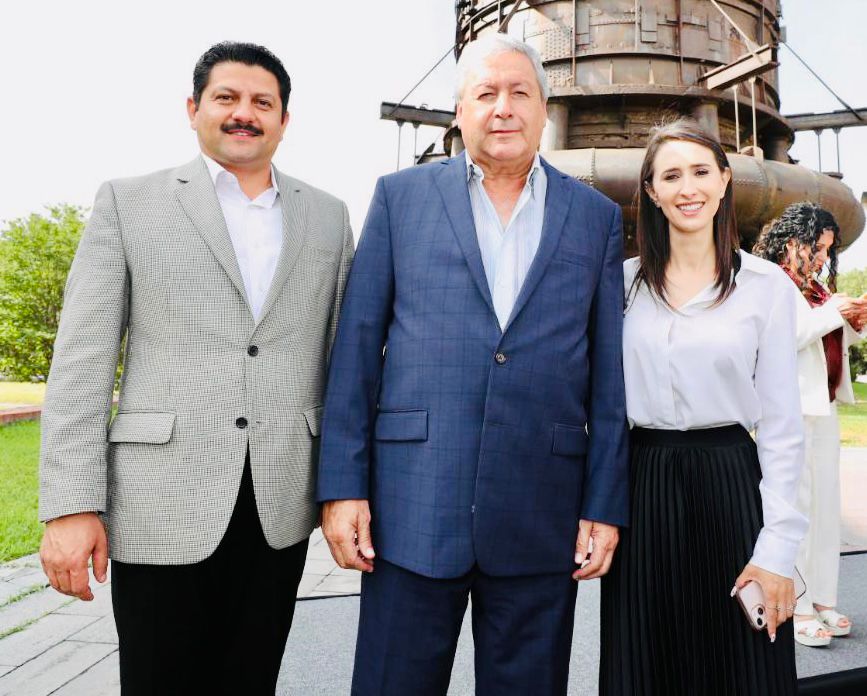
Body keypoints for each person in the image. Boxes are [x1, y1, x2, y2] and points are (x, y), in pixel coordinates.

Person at [38, 41, 353, 694]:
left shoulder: (328, 217)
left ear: (284, 119)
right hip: (161, 500)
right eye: (226, 97)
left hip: (279, 502)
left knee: (251, 681)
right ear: (193, 108)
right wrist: (71, 505)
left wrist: (345, 487)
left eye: (262, 102)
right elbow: (81, 363)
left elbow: (342, 362)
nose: (244, 113)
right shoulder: (129, 203)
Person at [317, 33, 628, 696]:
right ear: (460, 111)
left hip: (541, 510)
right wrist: (342, 489)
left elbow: (608, 377)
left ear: (543, 109)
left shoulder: (594, 218)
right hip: (410, 508)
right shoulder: (400, 199)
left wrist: (603, 505)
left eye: (520, 93)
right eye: (485, 93)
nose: (503, 107)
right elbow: (355, 351)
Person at [600, 119, 807, 695]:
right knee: (647, 663)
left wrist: (778, 549)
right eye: (670, 176)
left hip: (733, 483)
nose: (687, 188)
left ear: (723, 181)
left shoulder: (765, 286)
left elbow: (782, 428)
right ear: (651, 191)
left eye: (699, 172)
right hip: (644, 487)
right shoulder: (619, 287)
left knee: (744, 665)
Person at [753, 202, 867, 646]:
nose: (822, 258)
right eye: (816, 248)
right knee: (794, 508)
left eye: (827, 251)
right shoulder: (768, 281)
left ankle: (822, 598)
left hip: (825, 406)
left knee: (824, 507)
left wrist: (853, 322)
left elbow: (826, 337)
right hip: (789, 410)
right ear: (791, 241)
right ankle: (796, 606)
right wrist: (836, 311)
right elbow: (789, 338)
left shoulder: (815, 288)